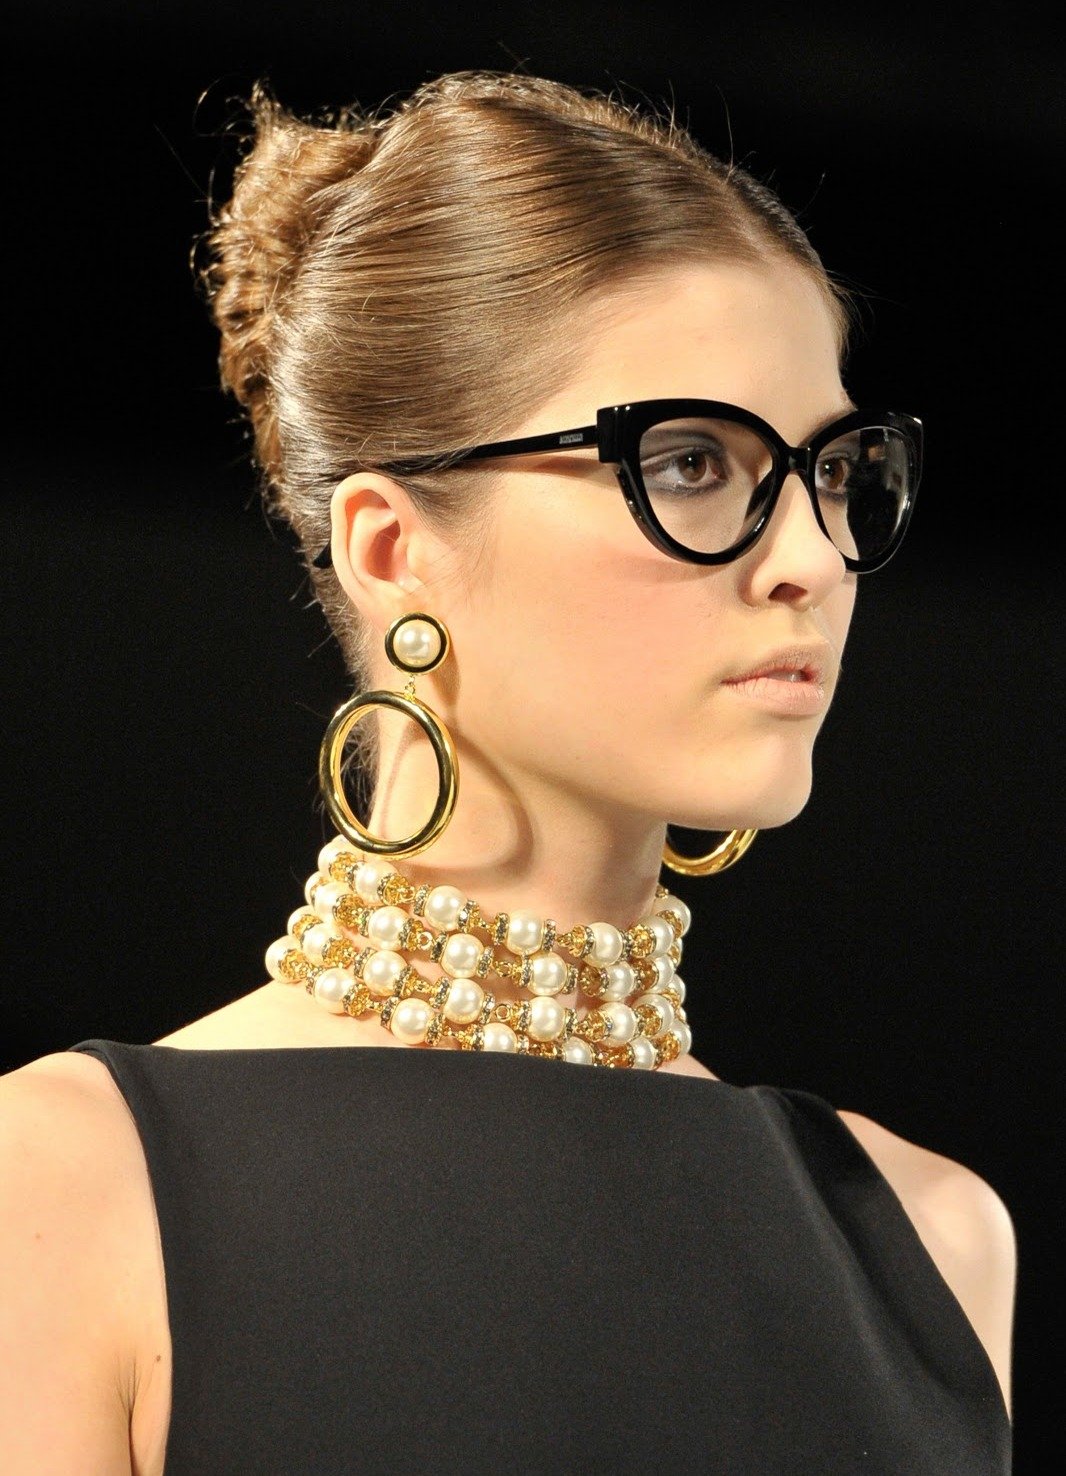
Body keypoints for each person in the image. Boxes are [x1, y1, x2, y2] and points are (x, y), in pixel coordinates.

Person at [0, 71, 1014, 1473]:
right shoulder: (61, 1192)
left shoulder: (932, 1238)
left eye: (832, 470)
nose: (810, 558)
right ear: (392, 548)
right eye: (689, 462)